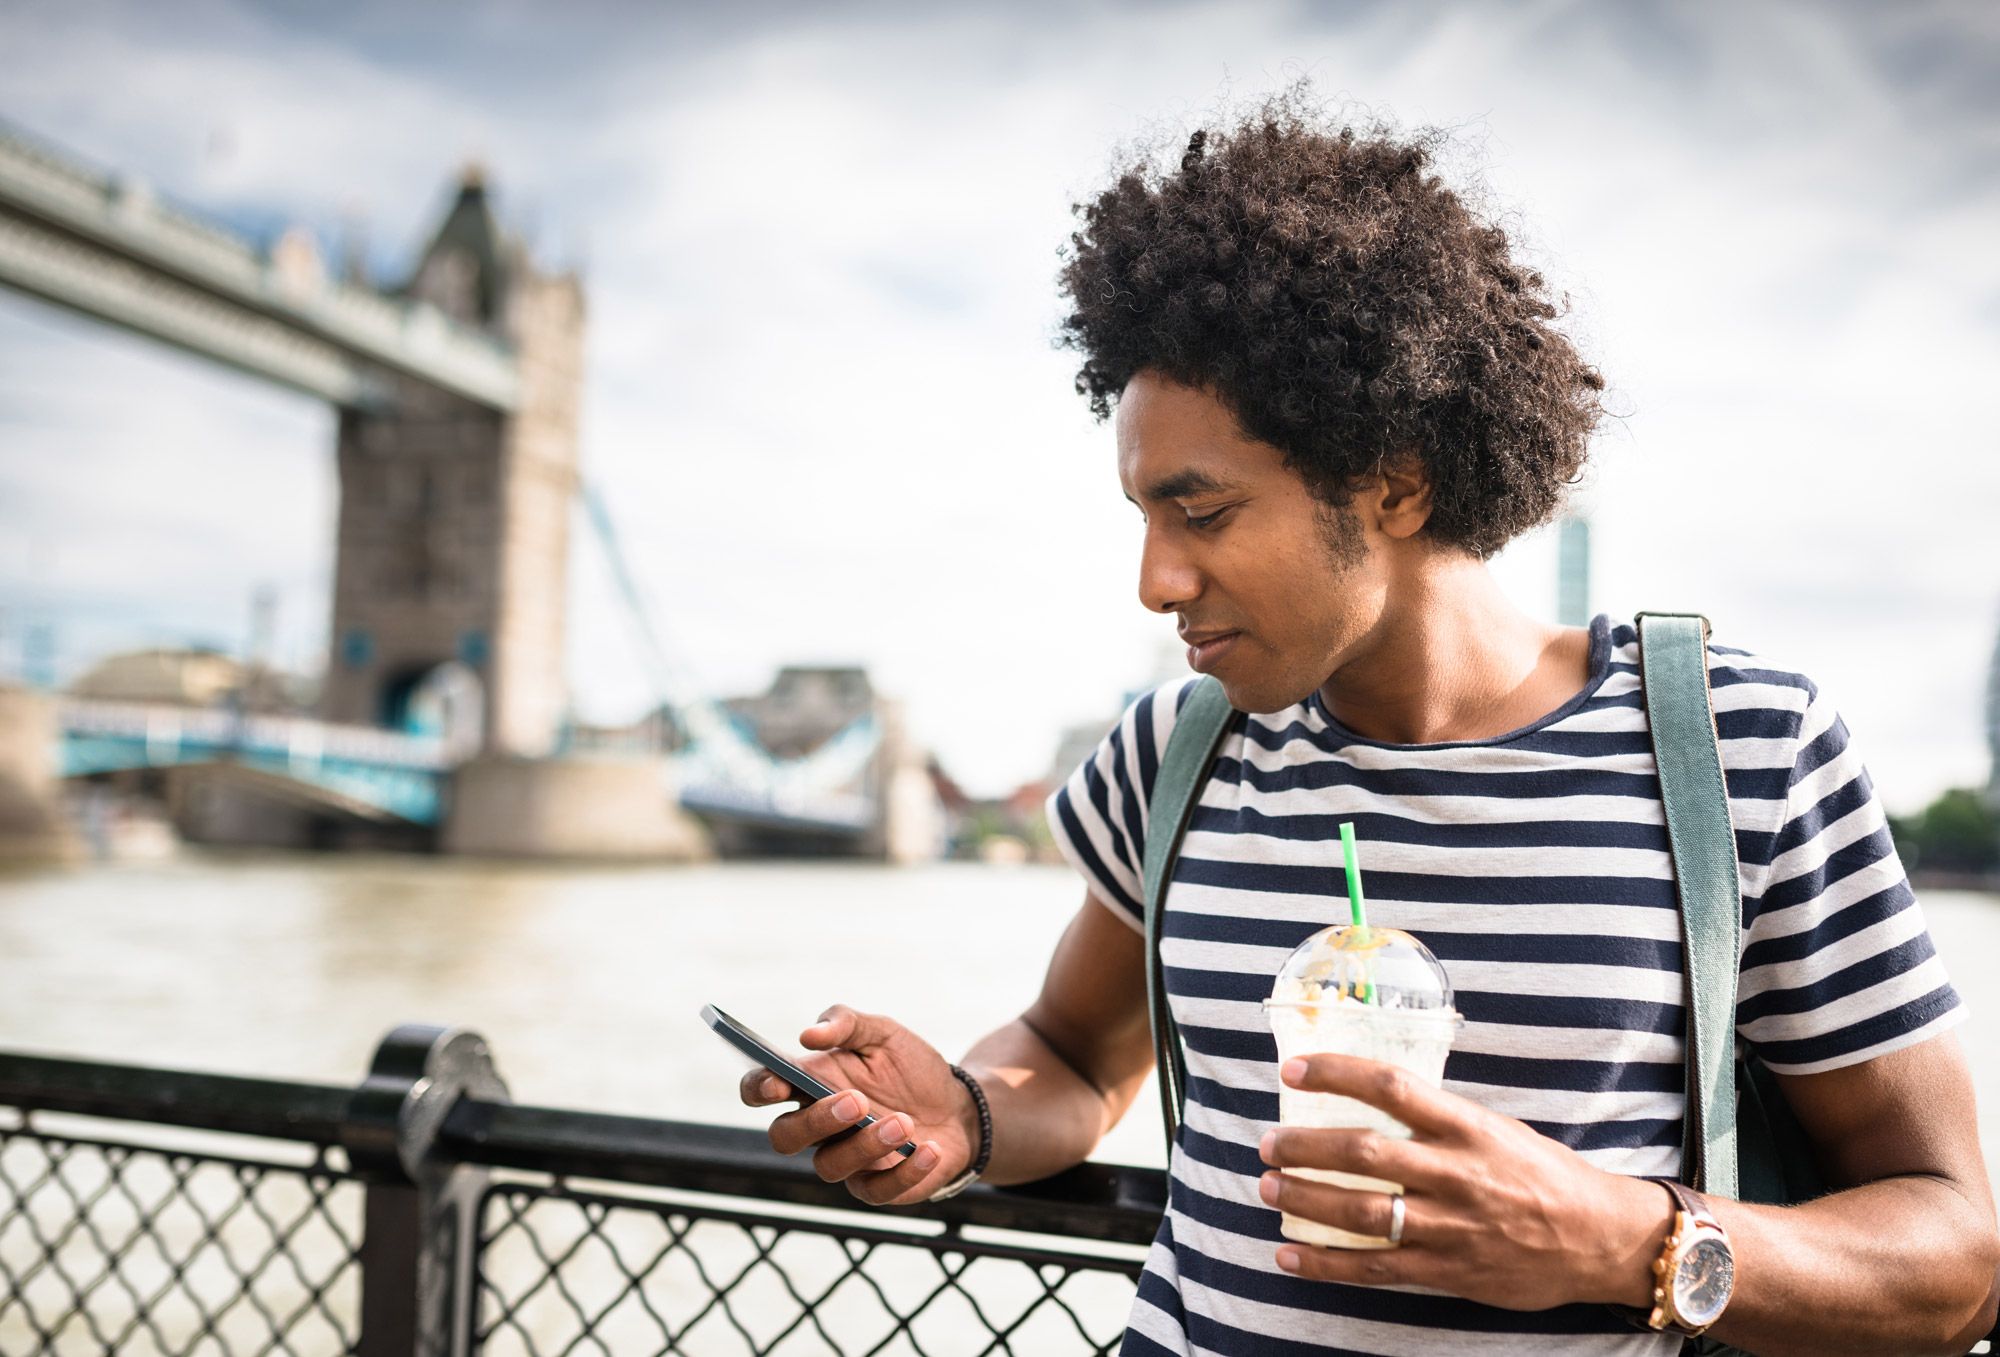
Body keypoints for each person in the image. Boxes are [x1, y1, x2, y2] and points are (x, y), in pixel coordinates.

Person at [743, 89, 2000, 1355]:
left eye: (1204, 512)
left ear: (1393, 480)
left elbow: (1953, 1262)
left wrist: (1629, 1241)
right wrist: (962, 1109)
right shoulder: (1176, 752)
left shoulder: (1735, 752)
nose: (1154, 580)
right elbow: (1074, 1055)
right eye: (1141, 517)